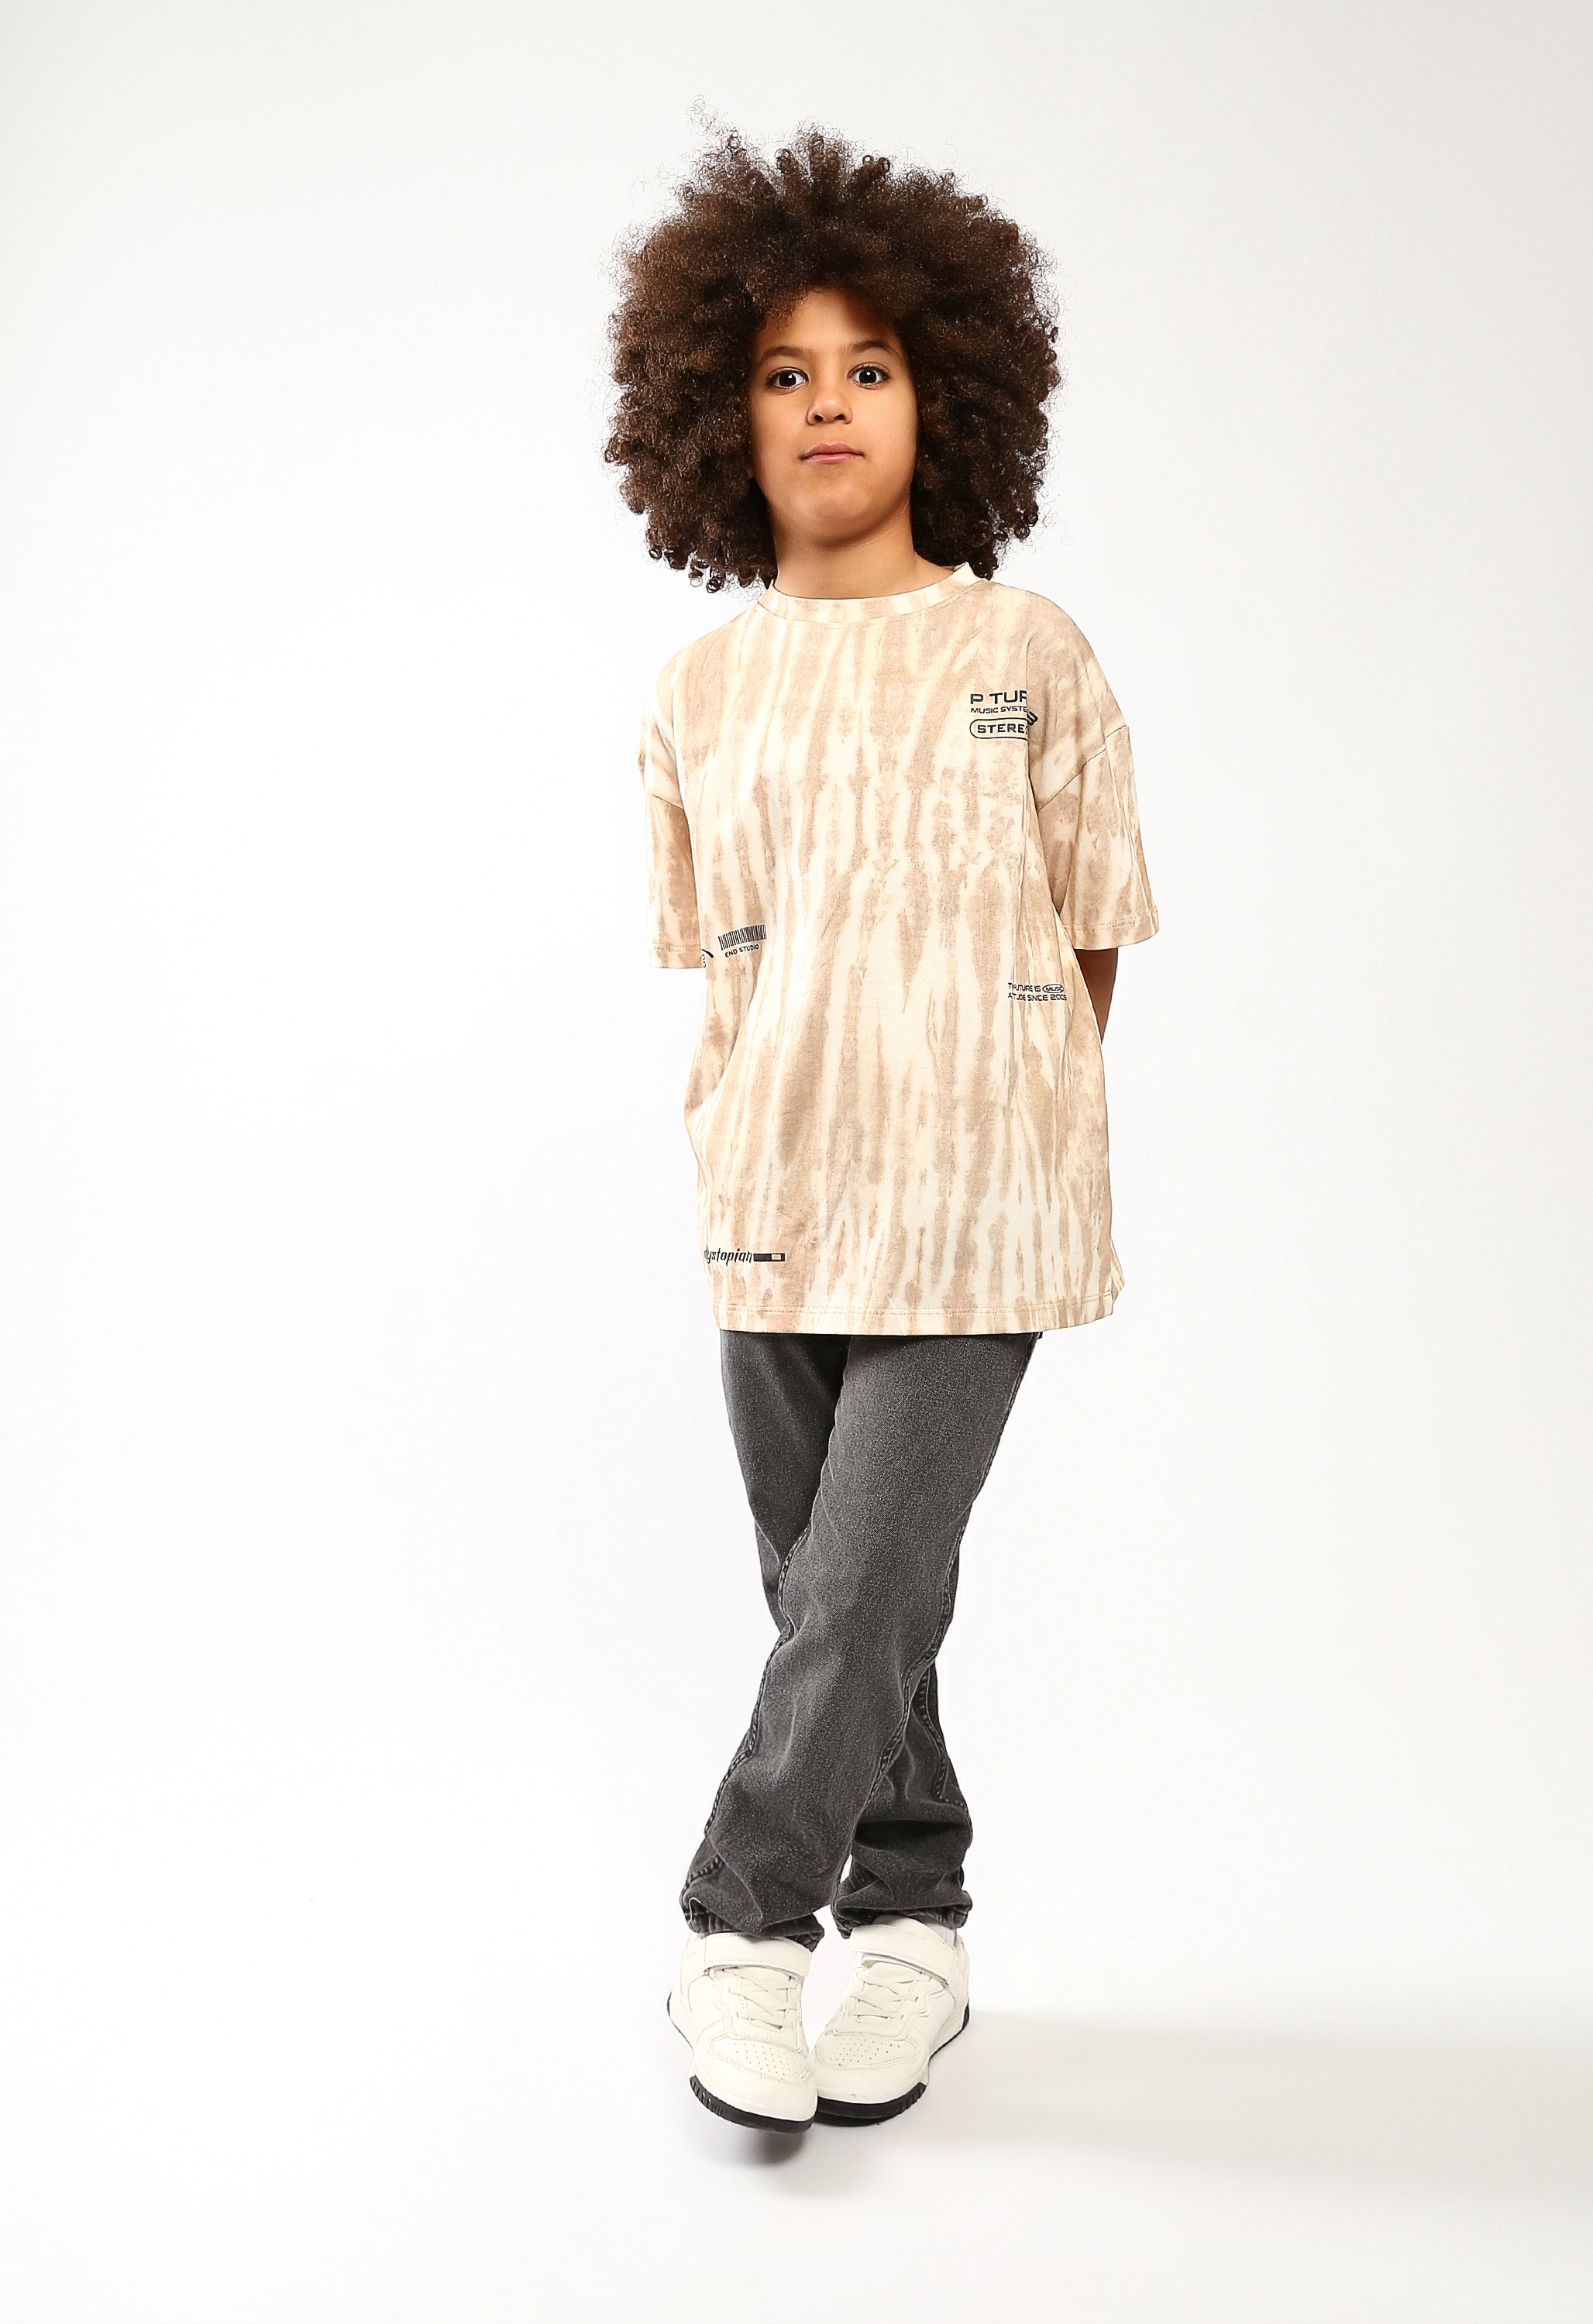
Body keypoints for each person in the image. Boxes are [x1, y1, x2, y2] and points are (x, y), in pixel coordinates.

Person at [605, 125, 1158, 2133]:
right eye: (783, 371)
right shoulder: (698, 690)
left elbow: (1088, 936)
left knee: (856, 1588)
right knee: (838, 1597)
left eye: (868, 365)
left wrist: (992, 1110)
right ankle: (915, 1927)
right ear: (716, 415)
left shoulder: (1029, 653)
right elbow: (722, 963)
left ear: (946, 395)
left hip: (979, 1206)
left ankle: (738, 1930)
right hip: (771, 1196)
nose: (827, 402)